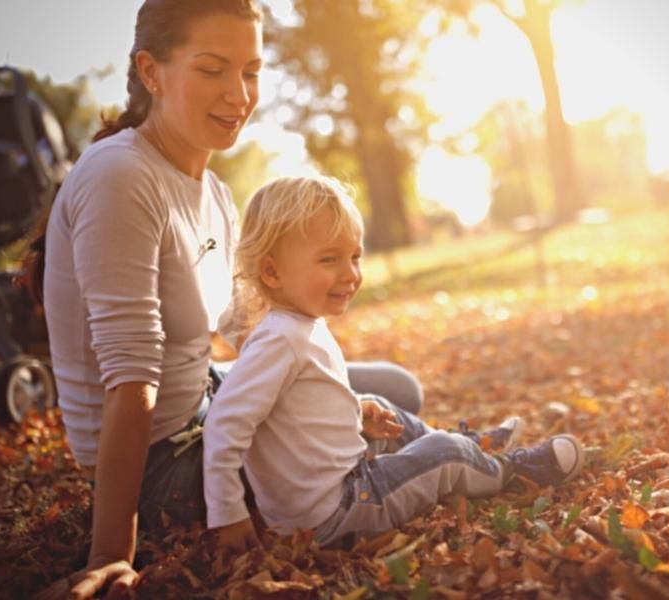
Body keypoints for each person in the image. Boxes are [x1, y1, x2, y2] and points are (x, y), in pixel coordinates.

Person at [34, 1, 422, 598]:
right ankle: (460, 460)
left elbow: (248, 327)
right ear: (152, 72)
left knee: (393, 391)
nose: (238, 94)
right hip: (157, 461)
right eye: (213, 69)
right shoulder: (120, 177)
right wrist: (111, 550)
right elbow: (132, 378)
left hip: (207, 398)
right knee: (368, 422)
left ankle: (424, 445)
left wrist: (332, 397)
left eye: (250, 70)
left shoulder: (213, 191)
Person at [203, 175, 585, 552]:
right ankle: (511, 471)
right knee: (442, 455)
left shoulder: (297, 325)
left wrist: (354, 415)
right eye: (329, 259)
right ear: (272, 272)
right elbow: (224, 424)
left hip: (337, 482)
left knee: (378, 407)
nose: (350, 274)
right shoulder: (279, 340)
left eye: (354, 256)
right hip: (336, 512)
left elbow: (302, 413)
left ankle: (474, 447)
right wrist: (228, 513)